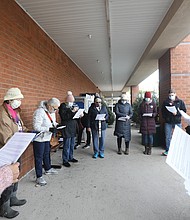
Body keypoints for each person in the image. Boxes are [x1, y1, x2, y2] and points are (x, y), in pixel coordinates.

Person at [0, 88, 27, 218]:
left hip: (17, 148)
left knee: (16, 174)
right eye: (18, 99)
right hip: (8, 150)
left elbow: (20, 127)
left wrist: (28, 133)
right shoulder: (2, 114)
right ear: (10, 100)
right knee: (7, 178)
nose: (20, 101)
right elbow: (5, 138)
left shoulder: (14, 112)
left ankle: (13, 198)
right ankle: (4, 207)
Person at [33, 98, 60, 186]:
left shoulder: (51, 112)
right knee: (39, 157)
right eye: (55, 108)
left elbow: (53, 122)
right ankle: (39, 176)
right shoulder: (39, 112)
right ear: (49, 106)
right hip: (39, 139)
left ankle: (48, 169)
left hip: (47, 137)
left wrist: (57, 126)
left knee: (46, 154)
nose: (56, 110)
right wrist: (48, 129)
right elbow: (36, 127)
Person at [59, 91, 83, 167]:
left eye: (73, 101)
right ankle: (65, 160)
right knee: (67, 145)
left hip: (73, 127)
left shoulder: (74, 105)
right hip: (67, 127)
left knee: (72, 144)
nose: (72, 102)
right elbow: (64, 117)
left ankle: (70, 157)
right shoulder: (63, 106)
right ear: (67, 100)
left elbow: (74, 116)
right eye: (71, 101)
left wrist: (79, 114)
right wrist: (72, 111)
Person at [161, 88, 186, 156]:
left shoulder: (180, 102)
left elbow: (184, 111)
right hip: (168, 121)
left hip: (177, 121)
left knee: (178, 136)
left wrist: (177, 113)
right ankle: (168, 150)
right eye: (170, 95)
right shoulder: (165, 102)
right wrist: (166, 117)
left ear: (175, 94)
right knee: (168, 136)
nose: (171, 96)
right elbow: (163, 111)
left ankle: (177, 150)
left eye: (172, 95)